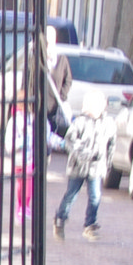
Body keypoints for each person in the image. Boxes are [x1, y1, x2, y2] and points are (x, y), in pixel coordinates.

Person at [52, 103, 104, 242]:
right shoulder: (79, 122)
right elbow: (69, 141)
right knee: (71, 195)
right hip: (78, 166)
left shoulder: (105, 123)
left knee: (95, 196)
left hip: (95, 167)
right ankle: (60, 218)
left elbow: (108, 143)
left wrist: (106, 162)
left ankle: (90, 225)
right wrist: (81, 154)